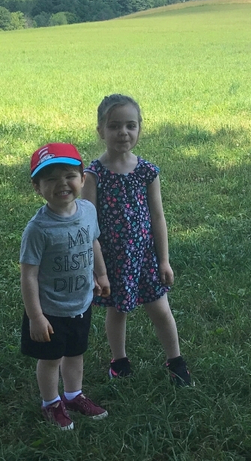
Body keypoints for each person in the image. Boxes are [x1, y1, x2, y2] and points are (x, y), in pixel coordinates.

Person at [81, 94, 192, 386]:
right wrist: (97, 269)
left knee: (160, 308)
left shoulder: (147, 171)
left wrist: (164, 259)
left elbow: (158, 218)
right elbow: (88, 224)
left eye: (131, 125)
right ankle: (119, 361)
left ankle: (176, 360)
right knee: (117, 310)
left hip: (145, 257)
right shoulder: (93, 175)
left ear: (140, 128)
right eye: (114, 126)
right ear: (100, 131)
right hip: (112, 260)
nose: (123, 132)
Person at [20, 142, 112, 430]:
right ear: (37, 187)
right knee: (50, 360)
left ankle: (73, 395)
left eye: (69, 175)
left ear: (82, 179)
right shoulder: (38, 229)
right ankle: (51, 403)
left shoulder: (87, 210)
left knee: (75, 353)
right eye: (50, 178)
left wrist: (102, 275)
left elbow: (93, 241)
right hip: (50, 310)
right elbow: (29, 275)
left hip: (81, 302)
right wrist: (36, 316)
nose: (62, 183)